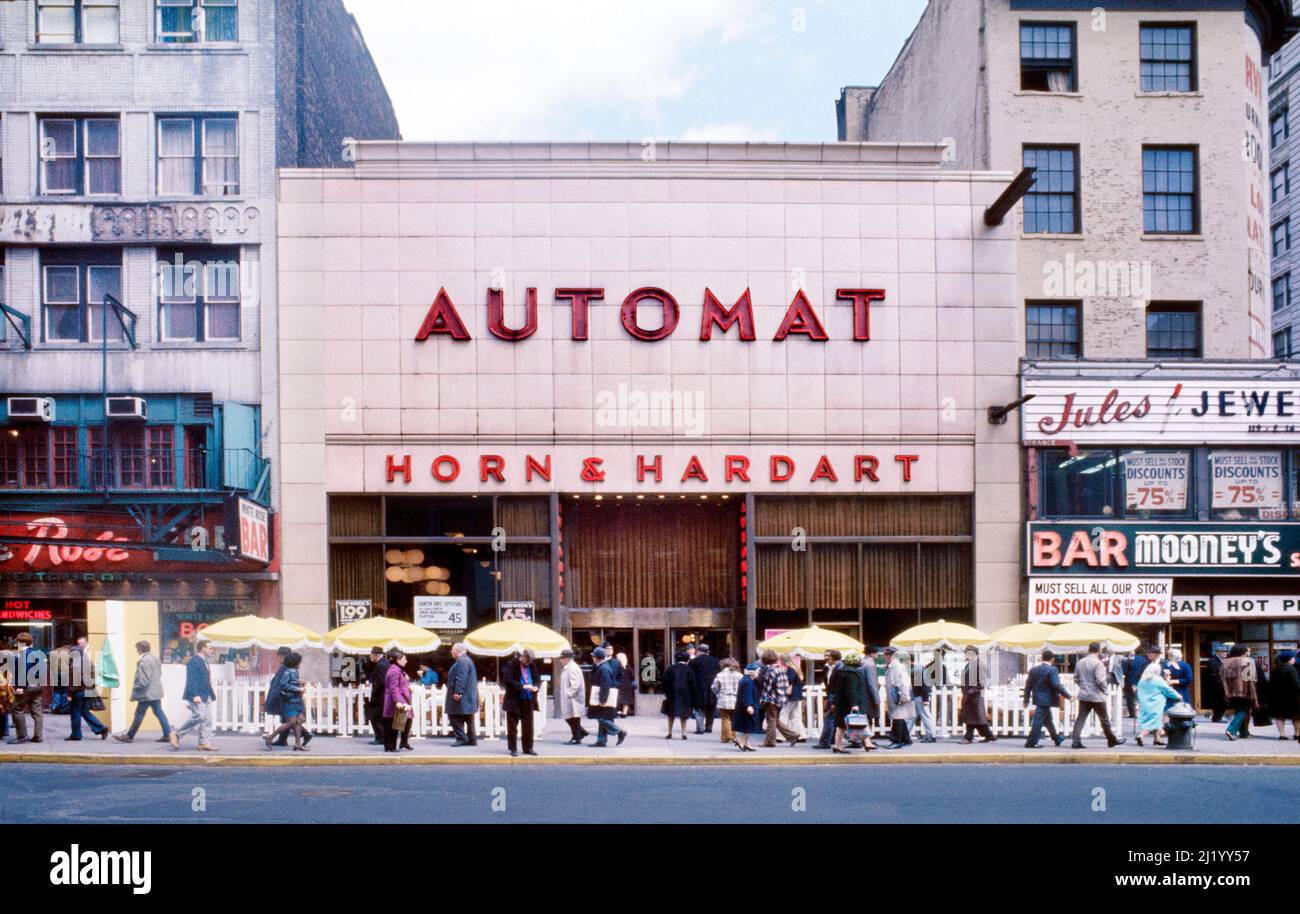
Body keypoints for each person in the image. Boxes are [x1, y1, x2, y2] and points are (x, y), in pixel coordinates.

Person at [114, 641, 172, 744]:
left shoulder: (144, 661)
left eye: (137, 649)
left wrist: (136, 688)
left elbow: (144, 680)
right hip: (156, 691)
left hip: (146, 693)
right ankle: (168, 734)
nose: (137, 651)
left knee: (139, 714)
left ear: (140, 649)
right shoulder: (155, 658)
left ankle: (129, 736)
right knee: (159, 712)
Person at [1069, 642, 1124, 749]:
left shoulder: (1080, 662)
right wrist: (1104, 689)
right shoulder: (1098, 663)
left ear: (1089, 650)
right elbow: (1100, 680)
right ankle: (1111, 740)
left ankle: (1075, 741)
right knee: (1104, 719)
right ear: (1098, 651)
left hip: (1084, 694)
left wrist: (1083, 686)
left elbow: (1075, 678)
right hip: (1097, 695)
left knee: (1080, 718)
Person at [172, 639, 217, 751]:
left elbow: (205, 680)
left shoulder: (204, 661)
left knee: (207, 719)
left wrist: (211, 694)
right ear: (203, 648)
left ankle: (203, 743)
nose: (212, 650)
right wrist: (195, 695)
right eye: (210, 648)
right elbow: (192, 680)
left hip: (206, 694)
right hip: (197, 695)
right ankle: (177, 734)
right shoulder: (194, 661)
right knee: (199, 716)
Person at [263, 651, 310, 751]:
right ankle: (270, 737)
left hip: (297, 700)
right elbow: (283, 685)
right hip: (290, 701)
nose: (300, 664)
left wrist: (299, 683)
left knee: (299, 721)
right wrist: (298, 689)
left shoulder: (294, 672)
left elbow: (292, 683)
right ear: (295, 662)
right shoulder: (288, 672)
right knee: (291, 722)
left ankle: (298, 744)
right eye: (299, 662)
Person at [1023, 650, 1070, 749]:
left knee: (1048, 719)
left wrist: (1026, 700)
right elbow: (1056, 685)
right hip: (1047, 699)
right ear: (1052, 659)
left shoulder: (1033, 670)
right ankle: (1031, 742)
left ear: (1042, 658)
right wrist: (1068, 696)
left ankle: (1057, 738)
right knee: (1038, 721)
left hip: (1038, 698)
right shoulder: (1053, 670)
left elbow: (1028, 686)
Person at [501, 649, 540, 757]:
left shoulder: (532, 665)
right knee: (512, 726)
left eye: (529, 662)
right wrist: (522, 686)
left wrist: (536, 687)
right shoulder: (511, 664)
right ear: (522, 657)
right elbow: (508, 680)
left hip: (528, 698)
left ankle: (528, 748)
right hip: (514, 699)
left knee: (528, 725)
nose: (527, 664)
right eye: (526, 661)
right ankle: (513, 748)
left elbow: (537, 679)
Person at [67, 635, 107, 741]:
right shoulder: (88, 661)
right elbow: (94, 675)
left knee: (75, 712)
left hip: (79, 691)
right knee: (84, 711)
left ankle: (76, 735)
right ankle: (101, 728)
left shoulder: (74, 665)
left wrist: (69, 693)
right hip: (89, 690)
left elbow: (73, 682)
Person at [9, 632, 46, 744]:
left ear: (20, 643)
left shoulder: (24, 655)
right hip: (38, 686)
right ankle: (38, 736)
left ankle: (22, 736)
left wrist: (20, 686)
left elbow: (23, 671)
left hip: (27, 686)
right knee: (37, 711)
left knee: (16, 709)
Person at [832, 651, 873, 753]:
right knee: (859, 722)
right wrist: (854, 704)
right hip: (850, 704)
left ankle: (866, 742)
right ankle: (838, 745)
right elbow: (851, 690)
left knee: (842, 725)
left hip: (841, 702)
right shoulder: (852, 674)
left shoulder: (841, 671)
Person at [758, 650, 801, 747]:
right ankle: (792, 735)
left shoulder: (770, 671)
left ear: (765, 660)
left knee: (771, 720)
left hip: (772, 699)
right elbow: (786, 684)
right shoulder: (781, 669)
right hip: (781, 698)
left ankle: (770, 742)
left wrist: (763, 699)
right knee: (775, 719)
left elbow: (767, 688)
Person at [1136, 660, 1180, 747]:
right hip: (1156, 704)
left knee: (1156, 721)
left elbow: (1138, 692)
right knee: (1153, 722)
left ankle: (1157, 739)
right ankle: (1141, 736)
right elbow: (1168, 690)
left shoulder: (1142, 680)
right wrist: (1178, 696)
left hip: (1145, 703)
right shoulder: (1158, 680)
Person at [958, 645, 996, 744]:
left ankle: (968, 737)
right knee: (975, 717)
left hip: (975, 696)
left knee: (972, 717)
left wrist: (970, 691)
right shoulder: (969, 664)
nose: (965, 655)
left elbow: (982, 683)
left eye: (966, 653)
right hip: (969, 695)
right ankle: (989, 735)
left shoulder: (980, 664)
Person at [588, 647, 626, 748]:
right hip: (601, 696)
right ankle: (601, 740)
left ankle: (619, 731)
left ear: (597, 658)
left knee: (601, 718)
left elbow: (605, 684)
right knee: (602, 717)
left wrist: (603, 699)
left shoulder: (603, 668)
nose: (592, 658)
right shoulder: (601, 666)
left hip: (603, 697)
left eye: (593, 656)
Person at [445, 642, 479, 746]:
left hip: (463, 695)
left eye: (452, 650)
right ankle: (472, 739)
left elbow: (461, 677)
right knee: (469, 717)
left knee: (453, 715)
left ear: (457, 651)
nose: (451, 652)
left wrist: (457, 692)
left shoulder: (462, 661)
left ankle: (462, 738)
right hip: (468, 695)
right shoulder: (467, 660)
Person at [1222, 644, 1258, 741]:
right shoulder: (1248, 661)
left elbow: (1222, 678)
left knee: (1239, 709)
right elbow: (1250, 679)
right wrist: (1254, 694)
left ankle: (1243, 732)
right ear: (1243, 652)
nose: (1249, 653)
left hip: (1230, 691)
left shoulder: (1225, 662)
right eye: (1248, 651)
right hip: (1244, 690)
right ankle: (1231, 729)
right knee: (1244, 710)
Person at [381, 650, 413, 752]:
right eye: (404, 659)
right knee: (393, 724)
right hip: (395, 700)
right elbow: (393, 688)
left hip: (400, 699)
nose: (406, 661)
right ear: (398, 660)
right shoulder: (394, 671)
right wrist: (398, 701)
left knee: (398, 722)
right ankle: (391, 746)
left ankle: (393, 746)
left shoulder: (397, 670)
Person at [884, 647, 915, 749]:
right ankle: (906, 739)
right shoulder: (892, 666)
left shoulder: (896, 667)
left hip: (899, 697)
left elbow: (903, 682)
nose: (885, 657)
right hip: (896, 696)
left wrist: (904, 697)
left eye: (887, 655)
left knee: (898, 718)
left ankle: (896, 741)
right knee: (899, 717)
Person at [557, 648, 589, 744]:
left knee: (572, 718)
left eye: (561, 658)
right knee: (571, 718)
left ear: (566, 658)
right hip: (570, 698)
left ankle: (577, 736)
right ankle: (580, 733)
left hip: (573, 699)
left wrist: (568, 694)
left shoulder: (572, 668)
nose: (560, 660)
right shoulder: (569, 667)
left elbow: (575, 684)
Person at [688, 643, 720, 734]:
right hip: (712, 689)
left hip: (698, 689)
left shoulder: (693, 662)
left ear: (698, 651)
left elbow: (691, 676)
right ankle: (709, 726)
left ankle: (700, 728)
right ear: (708, 652)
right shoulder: (716, 661)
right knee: (711, 708)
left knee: (698, 709)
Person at [662, 651, 694, 739]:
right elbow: (692, 684)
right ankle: (683, 733)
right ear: (687, 659)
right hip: (685, 695)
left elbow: (664, 682)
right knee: (684, 715)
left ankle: (669, 733)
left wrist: (666, 693)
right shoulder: (689, 670)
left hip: (672, 694)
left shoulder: (670, 669)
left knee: (671, 714)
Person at [814, 649, 843, 750]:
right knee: (831, 719)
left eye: (828, 656)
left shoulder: (840, 668)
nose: (826, 657)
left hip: (837, 697)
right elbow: (828, 684)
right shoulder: (826, 668)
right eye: (825, 655)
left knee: (829, 719)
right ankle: (829, 741)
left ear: (834, 657)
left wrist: (834, 701)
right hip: (831, 695)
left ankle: (825, 742)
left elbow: (839, 686)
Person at [1268, 652, 1300, 740]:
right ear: (1288, 660)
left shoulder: (1275, 669)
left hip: (1277, 697)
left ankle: (1282, 734)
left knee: (1280, 716)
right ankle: (1297, 734)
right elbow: (1296, 684)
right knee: (1296, 716)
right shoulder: (1292, 669)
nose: (1294, 660)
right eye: (1292, 658)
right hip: (1291, 697)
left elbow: (1270, 684)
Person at [732, 663, 763, 752]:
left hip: (743, 706)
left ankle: (747, 744)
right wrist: (749, 706)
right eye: (758, 671)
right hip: (747, 707)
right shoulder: (748, 681)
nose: (759, 672)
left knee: (747, 727)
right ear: (753, 672)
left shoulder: (747, 680)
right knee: (749, 726)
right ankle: (740, 740)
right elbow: (747, 694)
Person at [711, 658, 742, 744]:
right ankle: (730, 736)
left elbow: (714, 687)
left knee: (725, 718)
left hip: (724, 699)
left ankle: (728, 737)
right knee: (733, 719)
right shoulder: (740, 675)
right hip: (736, 699)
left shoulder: (720, 675)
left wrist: (717, 693)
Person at [779, 653, 807, 743]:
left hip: (791, 696)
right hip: (796, 695)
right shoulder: (796, 668)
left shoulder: (790, 670)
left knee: (783, 715)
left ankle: (780, 736)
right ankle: (801, 735)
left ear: (784, 661)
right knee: (795, 716)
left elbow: (788, 680)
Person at [365, 646, 390, 746]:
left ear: (375, 655)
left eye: (371, 654)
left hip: (380, 696)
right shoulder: (382, 663)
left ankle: (381, 737)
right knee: (377, 717)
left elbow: (381, 682)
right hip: (381, 695)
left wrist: (374, 692)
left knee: (375, 717)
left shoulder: (381, 665)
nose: (370, 656)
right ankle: (380, 737)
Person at [912, 653, 937, 743]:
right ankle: (905, 735)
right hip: (919, 696)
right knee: (913, 716)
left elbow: (925, 685)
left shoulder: (918, 670)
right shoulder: (920, 669)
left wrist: (925, 699)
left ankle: (931, 735)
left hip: (921, 697)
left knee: (925, 716)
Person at [1205, 644, 1229, 722]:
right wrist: (1221, 682)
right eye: (1223, 652)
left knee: (1223, 701)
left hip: (1223, 685)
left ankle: (1219, 716)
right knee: (1218, 702)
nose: (1225, 653)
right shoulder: (1212, 661)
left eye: (1226, 652)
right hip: (1216, 686)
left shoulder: (1224, 660)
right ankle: (1217, 717)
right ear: (1218, 652)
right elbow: (1212, 675)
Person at [616, 652, 636, 717]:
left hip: (619, 685)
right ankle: (624, 713)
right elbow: (632, 676)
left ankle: (618, 711)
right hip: (627, 686)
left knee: (618, 699)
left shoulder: (617, 667)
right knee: (626, 700)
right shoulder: (628, 667)